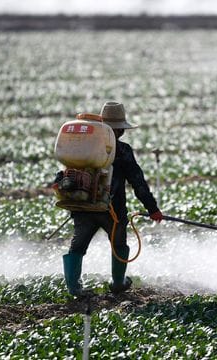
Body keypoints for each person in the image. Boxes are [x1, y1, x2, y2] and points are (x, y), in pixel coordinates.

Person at [62, 101, 163, 296]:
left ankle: (73, 287)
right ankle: (118, 282)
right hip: (112, 210)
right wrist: (153, 209)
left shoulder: (81, 147)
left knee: (78, 245)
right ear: (120, 130)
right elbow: (138, 182)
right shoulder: (122, 150)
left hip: (83, 206)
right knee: (118, 245)